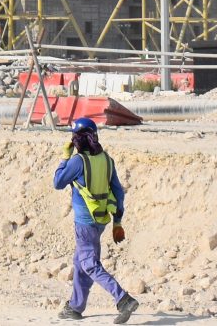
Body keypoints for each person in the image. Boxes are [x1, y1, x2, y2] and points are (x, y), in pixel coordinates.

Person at [51, 116, 140, 322]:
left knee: (89, 263)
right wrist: (118, 220)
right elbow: (118, 192)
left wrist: (64, 157)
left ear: (76, 140)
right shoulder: (107, 159)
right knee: (80, 261)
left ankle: (123, 299)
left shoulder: (77, 161)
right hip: (101, 221)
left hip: (84, 223)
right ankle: (75, 306)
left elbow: (57, 182)